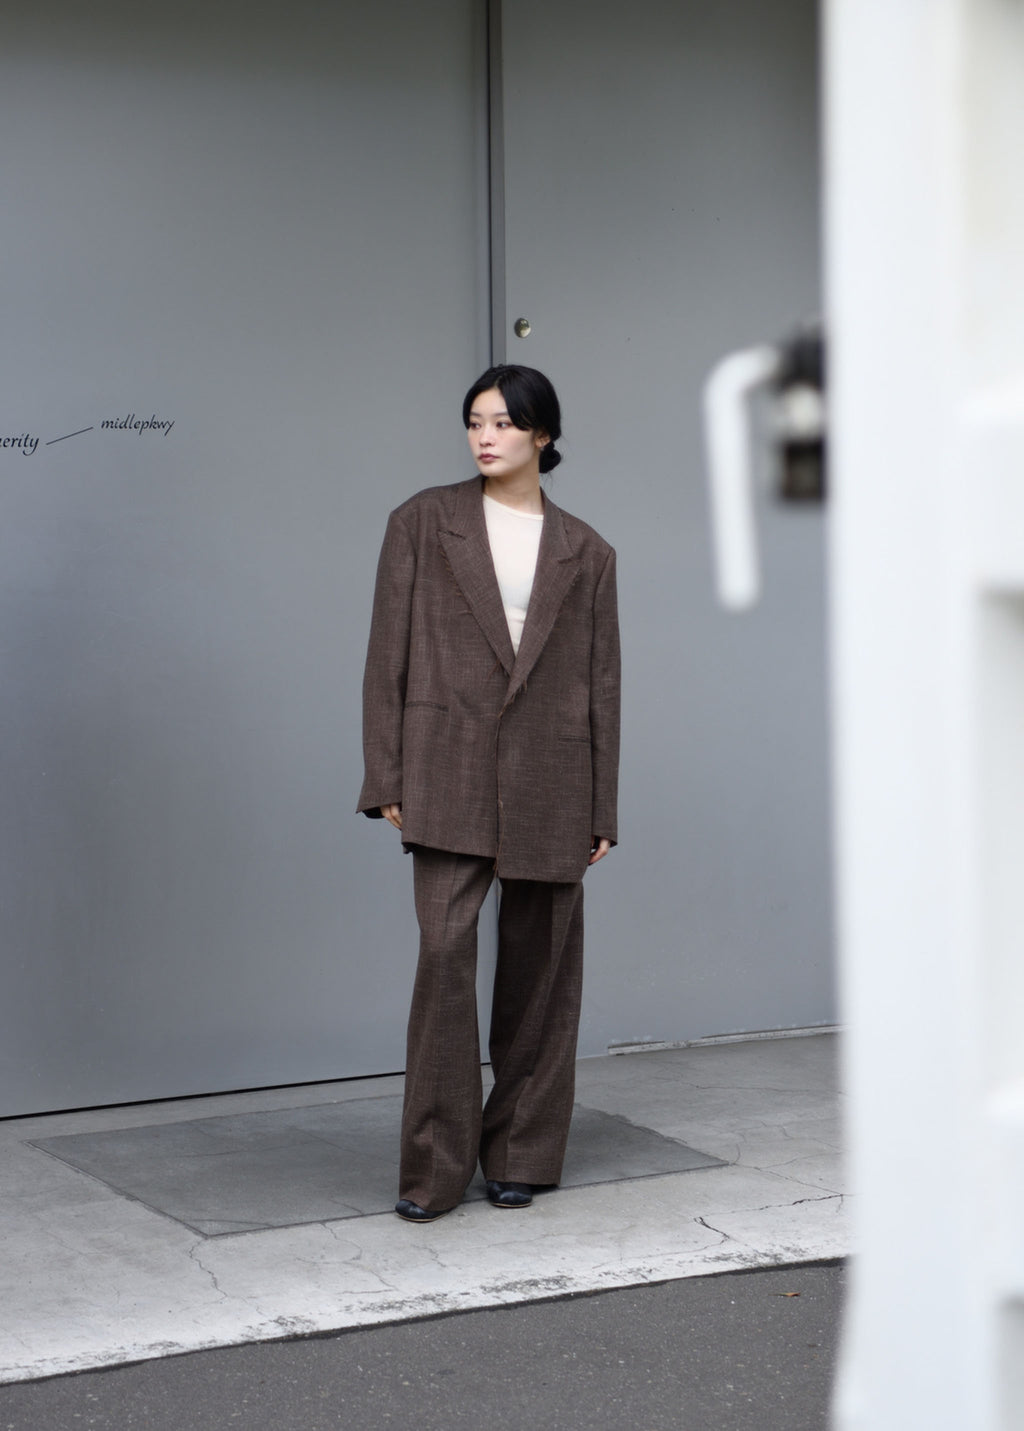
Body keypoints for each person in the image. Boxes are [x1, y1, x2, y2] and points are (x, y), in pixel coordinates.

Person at [357, 364, 620, 1223]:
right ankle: (433, 1169)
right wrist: (386, 773)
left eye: (504, 422)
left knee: (542, 974)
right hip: (446, 766)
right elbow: (386, 656)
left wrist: (602, 805)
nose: (485, 436)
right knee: (444, 959)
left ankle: (521, 1155)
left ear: (543, 434)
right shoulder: (422, 522)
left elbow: (602, 684)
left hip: (553, 774)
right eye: (475, 420)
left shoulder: (588, 551)